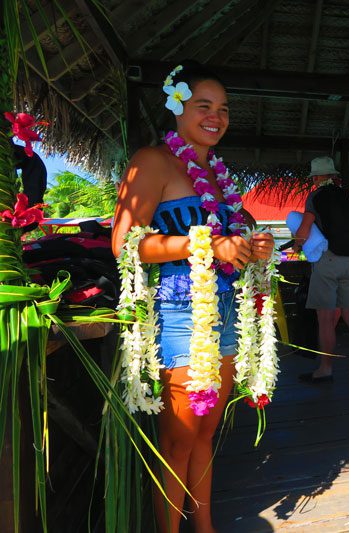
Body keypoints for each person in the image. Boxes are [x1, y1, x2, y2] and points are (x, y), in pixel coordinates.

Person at [111, 61, 274, 533]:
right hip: (179, 311)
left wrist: (251, 243)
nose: (216, 117)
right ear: (177, 106)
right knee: (178, 437)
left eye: (223, 109)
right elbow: (124, 242)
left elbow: (235, 235)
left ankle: (204, 527)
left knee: (206, 431)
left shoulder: (219, 175)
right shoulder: (152, 160)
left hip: (224, 309)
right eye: (204, 105)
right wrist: (200, 244)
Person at [293, 156, 349, 383]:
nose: (312, 181)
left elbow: (304, 229)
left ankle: (325, 368)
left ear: (320, 177)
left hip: (328, 260)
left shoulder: (316, 196)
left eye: (314, 177)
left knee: (325, 317)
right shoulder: (348, 196)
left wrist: (296, 244)